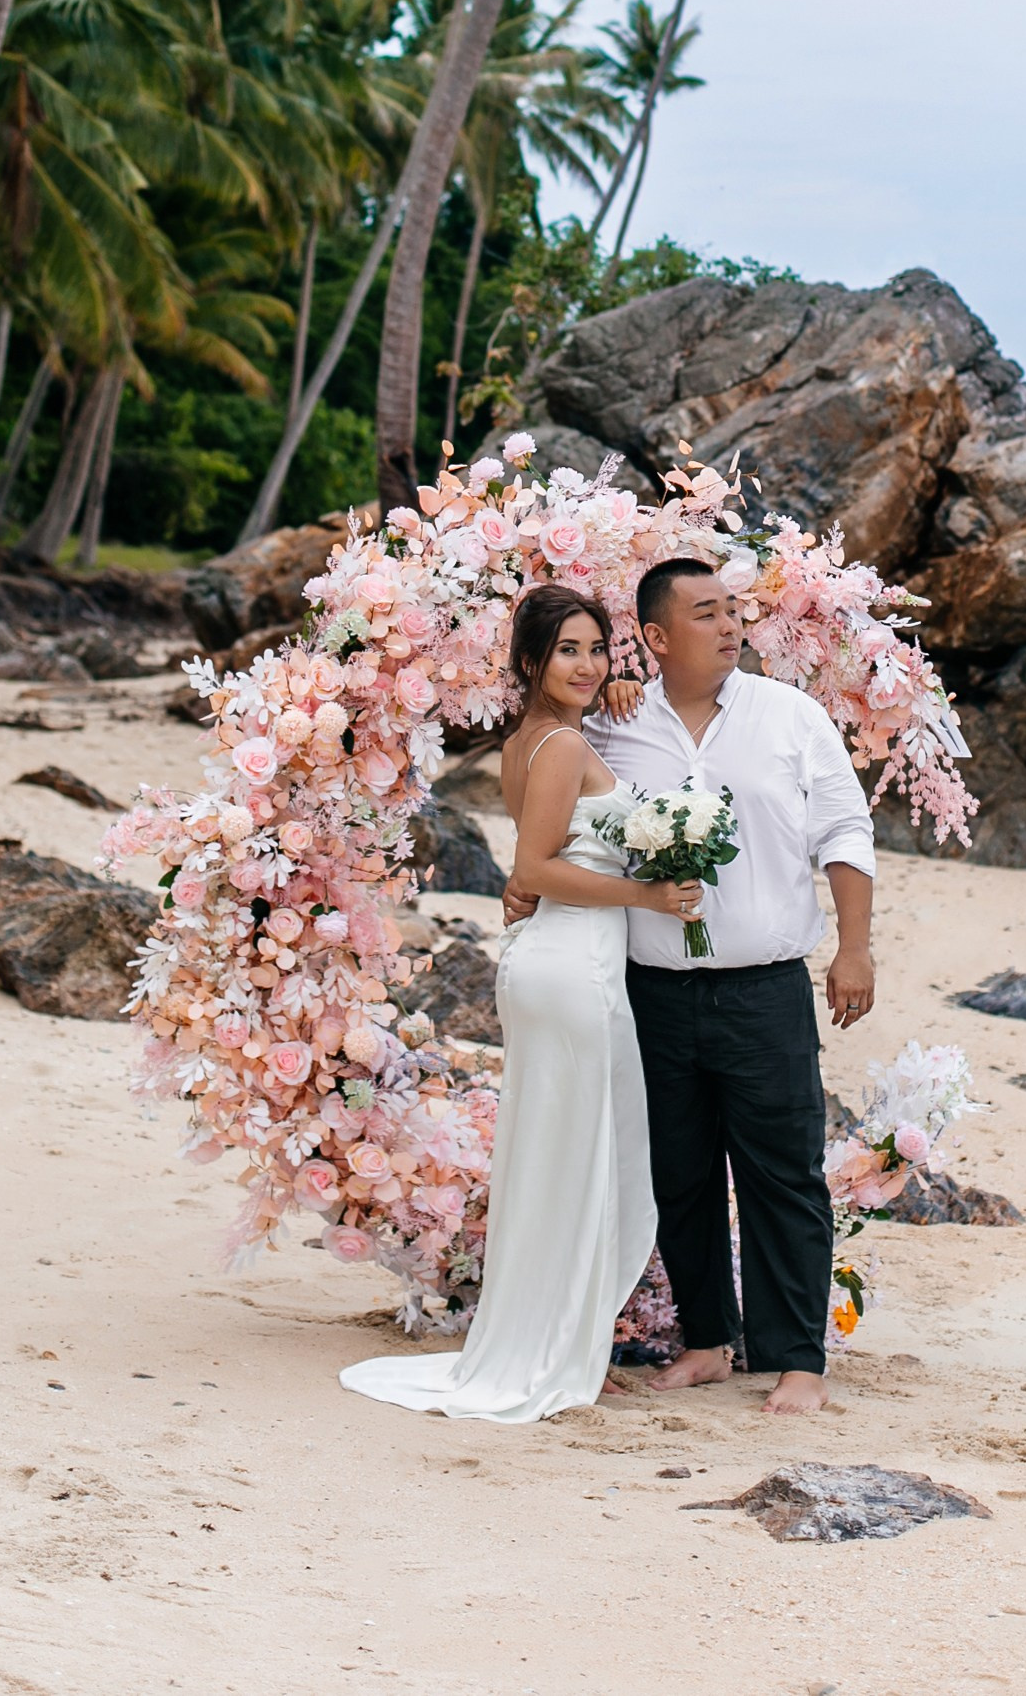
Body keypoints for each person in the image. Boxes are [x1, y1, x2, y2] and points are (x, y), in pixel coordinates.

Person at [509, 556, 876, 1417]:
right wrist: (525, 879)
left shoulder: (792, 715)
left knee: (784, 1173)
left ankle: (797, 1358)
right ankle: (707, 1341)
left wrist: (854, 947)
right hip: (654, 990)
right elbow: (556, 806)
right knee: (677, 1171)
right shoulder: (614, 727)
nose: (728, 625)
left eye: (732, 610)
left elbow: (845, 827)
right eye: (705, 613)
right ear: (658, 637)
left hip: (765, 988)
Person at [339, 583, 702, 1424]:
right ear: (531, 660)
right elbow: (531, 870)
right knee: (581, 1162)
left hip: (562, 961)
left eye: (597, 648)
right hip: (570, 964)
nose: (586, 663)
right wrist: (648, 895)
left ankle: (555, 1334)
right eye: (567, 649)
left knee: (559, 1158)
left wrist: (610, 697)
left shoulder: (535, 737)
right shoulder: (562, 748)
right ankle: (551, 1345)